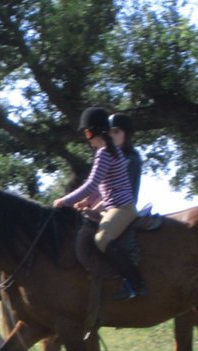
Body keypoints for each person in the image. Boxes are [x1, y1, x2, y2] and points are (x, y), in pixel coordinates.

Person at [53, 107, 145, 299]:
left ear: (95, 131)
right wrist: (87, 202)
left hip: (121, 208)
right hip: (114, 206)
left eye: (87, 132)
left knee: (102, 239)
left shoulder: (104, 153)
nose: (87, 138)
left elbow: (91, 184)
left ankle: (134, 283)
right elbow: (102, 185)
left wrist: (65, 200)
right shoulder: (112, 151)